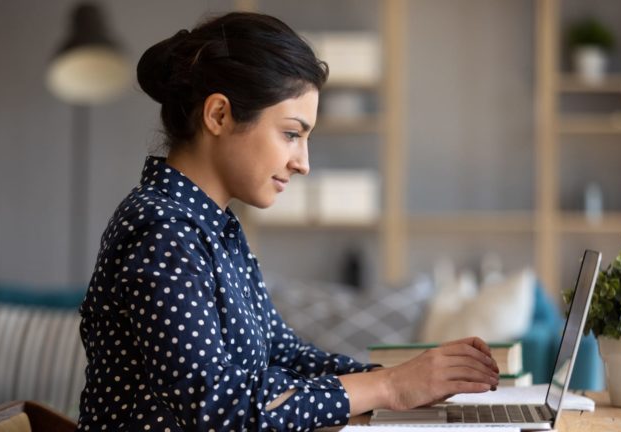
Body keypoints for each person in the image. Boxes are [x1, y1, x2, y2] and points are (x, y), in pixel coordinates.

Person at [76, 11, 500, 431]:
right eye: (291, 134)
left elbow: (282, 353)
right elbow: (221, 410)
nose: (303, 163)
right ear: (219, 116)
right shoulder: (163, 231)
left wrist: (409, 380)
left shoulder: (212, 228)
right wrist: (388, 386)